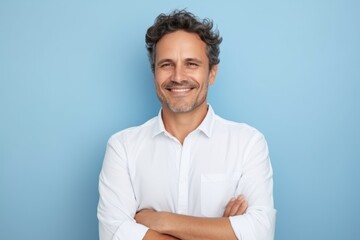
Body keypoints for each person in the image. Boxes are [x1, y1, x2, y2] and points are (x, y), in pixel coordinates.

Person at [97, 9, 276, 240]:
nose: (178, 76)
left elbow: (260, 233)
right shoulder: (122, 147)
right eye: (166, 65)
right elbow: (114, 235)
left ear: (212, 73)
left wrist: (161, 221)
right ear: (154, 73)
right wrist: (221, 231)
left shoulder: (248, 143)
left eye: (191, 64)